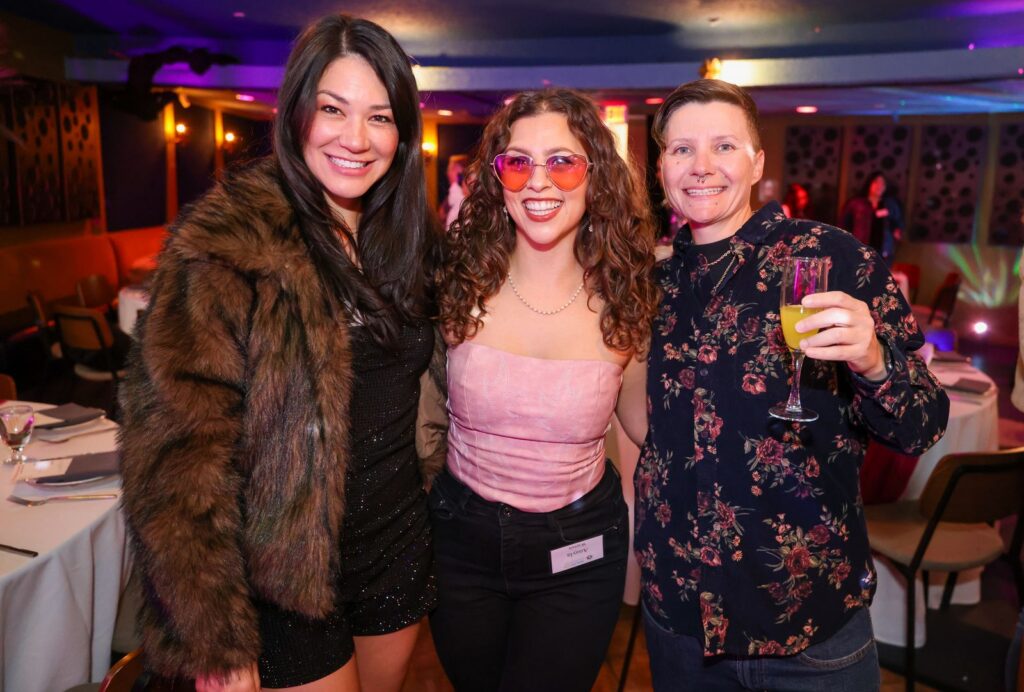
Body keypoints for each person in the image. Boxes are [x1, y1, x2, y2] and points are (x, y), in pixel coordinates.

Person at [119, 14, 444, 692]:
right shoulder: (227, 247)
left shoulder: (410, 242)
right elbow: (176, 456)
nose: (356, 138)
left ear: (404, 131)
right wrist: (210, 632)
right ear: (296, 113)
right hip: (282, 579)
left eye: (380, 117)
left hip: (395, 550)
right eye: (333, 109)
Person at [638, 79, 949, 691]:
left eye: (724, 146)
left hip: (810, 625)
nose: (702, 166)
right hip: (681, 617)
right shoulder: (654, 283)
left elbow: (924, 424)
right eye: (681, 149)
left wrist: (875, 362)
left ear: (757, 163)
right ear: (661, 169)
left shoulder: (833, 259)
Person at [431, 88, 658, 691]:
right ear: (497, 177)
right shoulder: (457, 281)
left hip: (578, 550)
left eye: (562, 161)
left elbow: (649, 426)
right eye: (518, 162)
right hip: (460, 544)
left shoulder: (626, 299)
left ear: (595, 174)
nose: (539, 181)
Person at [840, 172, 904, 265]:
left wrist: (897, 231)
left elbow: (898, 223)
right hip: (860, 250)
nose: (879, 186)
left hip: (883, 253)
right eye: (876, 182)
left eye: (883, 183)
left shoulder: (891, 205)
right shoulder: (856, 203)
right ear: (869, 183)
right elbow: (843, 225)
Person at [441, 153, 469, 229]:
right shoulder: (450, 198)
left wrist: (454, 182)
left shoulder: (463, 200)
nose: (448, 172)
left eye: (452, 169)